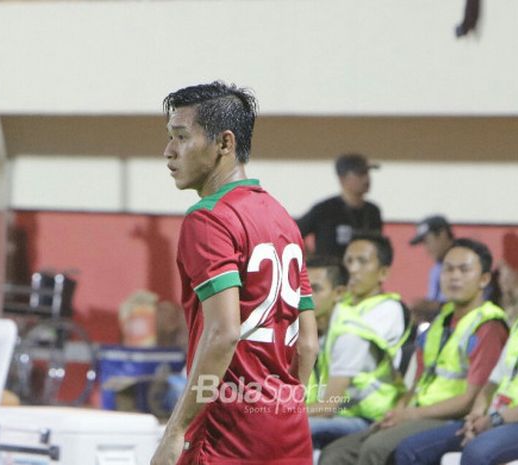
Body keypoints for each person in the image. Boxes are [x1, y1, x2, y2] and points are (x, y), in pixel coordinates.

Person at [151, 81, 318, 465]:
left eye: (180, 137)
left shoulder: (208, 218)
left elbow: (223, 332)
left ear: (224, 144)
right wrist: (285, 407)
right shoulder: (282, 219)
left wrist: (175, 431)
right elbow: (307, 343)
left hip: (227, 434)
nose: (169, 152)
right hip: (290, 432)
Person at [318, 238, 509, 465]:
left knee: (376, 448)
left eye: (464, 270)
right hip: (419, 413)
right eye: (448, 269)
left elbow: (472, 399)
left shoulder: (487, 326)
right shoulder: (439, 323)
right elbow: (416, 384)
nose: (454, 276)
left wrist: (410, 415)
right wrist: (397, 413)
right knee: (338, 452)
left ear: (484, 279)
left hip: (454, 419)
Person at [308, 235, 410, 449]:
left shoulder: (385, 311)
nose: (353, 269)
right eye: (349, 261)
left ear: (383, 272)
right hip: (340, 409)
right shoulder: (338, 310)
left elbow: (329, 404)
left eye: (362, 261)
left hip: (371, 415)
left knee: (292, 428)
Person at [395, 308, 518, 465]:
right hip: (497, 417)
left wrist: (495, 420)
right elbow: (492, 383)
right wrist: (476, 414)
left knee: (478, 452)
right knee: (411, 450)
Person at [296, 153, 382, 260]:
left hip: (362, 274)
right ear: (342, 179)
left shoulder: (373, 211)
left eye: (368, 173)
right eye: (360, 174)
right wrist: (312, 260)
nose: (367, 179)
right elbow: (292, 233)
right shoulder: (325, 209)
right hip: (331, 273)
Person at [303, 256, 348, 405]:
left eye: (315, 289)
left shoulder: (349, 333)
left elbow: (329, 406)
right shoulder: (296, 330)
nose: (306, 296)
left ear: (339, 293)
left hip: (360, 420)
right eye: (303, 288)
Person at [409, 215, 455, 304]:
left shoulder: (464, 263)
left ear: (442, 235)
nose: (427, 249)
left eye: (427, 241)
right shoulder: (436, 269)